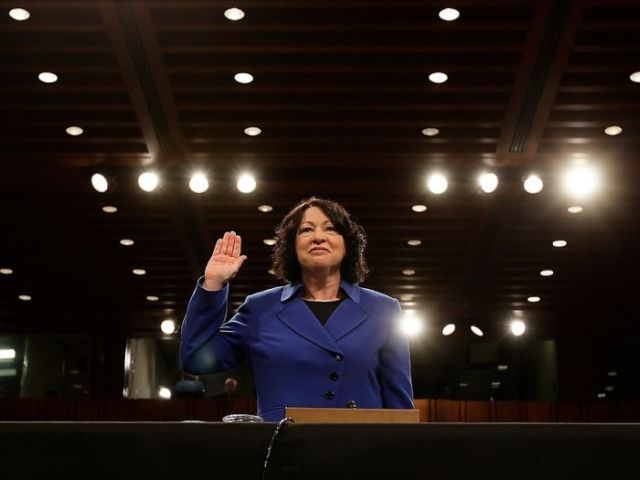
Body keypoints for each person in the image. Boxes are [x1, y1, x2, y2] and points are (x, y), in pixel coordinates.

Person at [180, 197, 413, 421]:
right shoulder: (260, 308)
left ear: (347, 245)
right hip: (283, 443)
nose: (318, 237)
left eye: (330, 229)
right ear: (293, 246)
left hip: (360, 445)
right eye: (306, 230)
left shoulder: (383, 310)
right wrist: (213, 284)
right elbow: (195, 359)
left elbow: (400, 408)